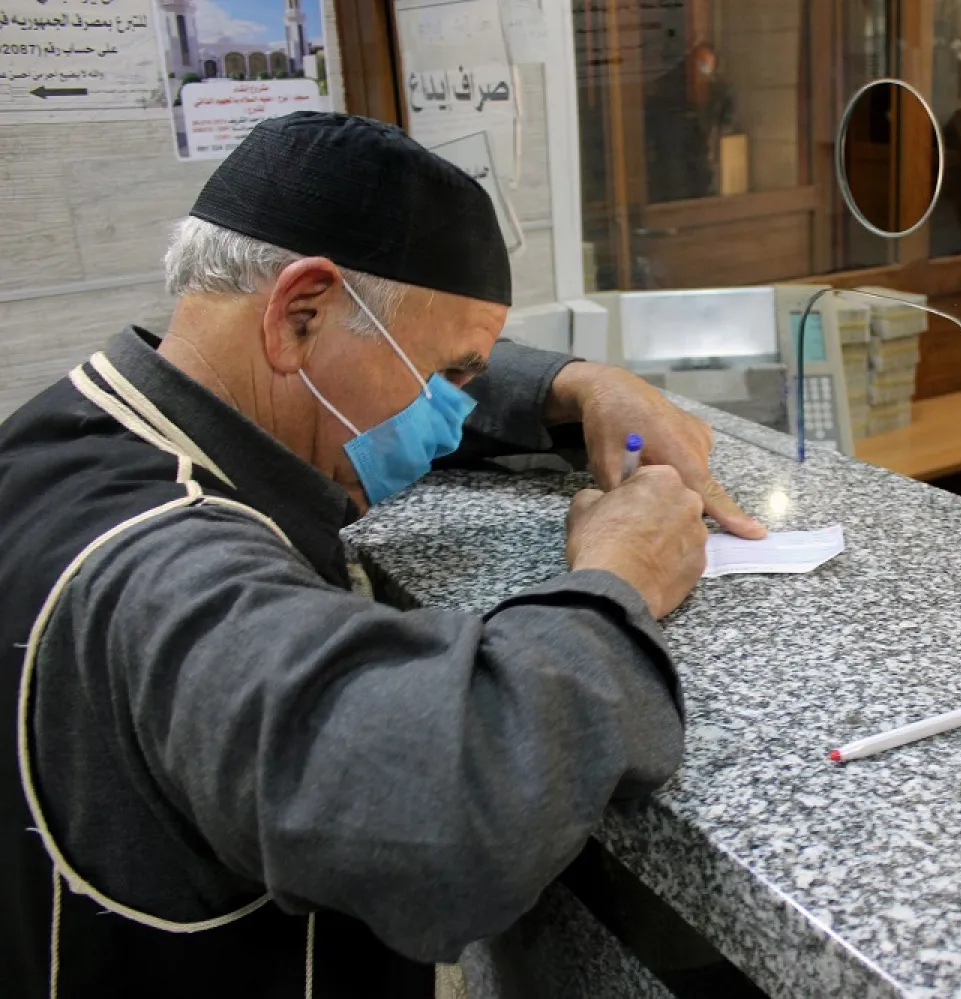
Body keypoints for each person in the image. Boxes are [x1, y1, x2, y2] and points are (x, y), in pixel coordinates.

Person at [1, 112, 765, 998]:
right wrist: (618, 575)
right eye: (448, 375)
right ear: (298, 314)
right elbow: (450, 811)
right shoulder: (160, 569)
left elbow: (374, 369)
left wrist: (578, 384)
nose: (447, 420)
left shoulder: (74, 430)